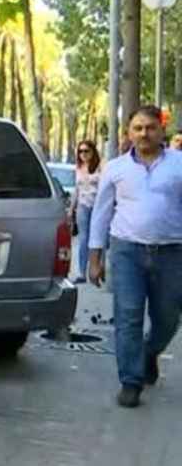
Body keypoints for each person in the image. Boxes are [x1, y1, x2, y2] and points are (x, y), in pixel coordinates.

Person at [89, 105, 182, 409]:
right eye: (138, 128)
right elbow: (101, 214)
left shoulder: (179, 165)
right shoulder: (115, 168)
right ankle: (131, 381)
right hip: (127, 251)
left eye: (150, 127)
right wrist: (95, 256)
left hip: (171, 252)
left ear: (161, 131)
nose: (144, 133)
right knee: (128, 316)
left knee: (168, 318)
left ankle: (148, 353)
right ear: (128, 133)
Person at [70, 140, 101, 285]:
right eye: (80, 151)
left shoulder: (101, 168)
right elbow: (76, 190)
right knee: (83, 239)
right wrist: (71, 209)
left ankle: (98, 268)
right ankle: (82, 273)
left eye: (86, 151)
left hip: (98, 207)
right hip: (83, 206)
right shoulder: (78, 168)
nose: (83, 154)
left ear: (93, 151)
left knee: (98, 238)